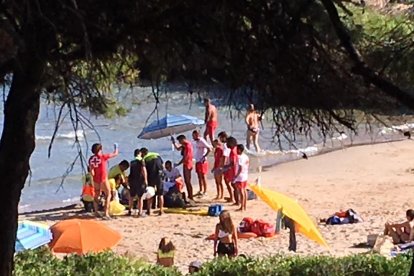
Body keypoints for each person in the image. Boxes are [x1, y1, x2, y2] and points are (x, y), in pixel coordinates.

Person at [88, 143, 118, 219]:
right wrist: (116, 147)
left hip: (95, 179)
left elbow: (91, 171)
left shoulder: (91, 159)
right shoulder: (103, 157)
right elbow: (115, 154)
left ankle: (96, 212)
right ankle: (106, 213)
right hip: (103, 179)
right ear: (100, 149)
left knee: (96, 195)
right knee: (108, 195)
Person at [140, 148, 164, 215]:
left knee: (150, 193)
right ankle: (161, 210)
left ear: (143, 153)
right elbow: (162, 164)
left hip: (152, 176)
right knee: (160, 194)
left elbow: (144, 170)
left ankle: (149, 210)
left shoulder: (144, 158)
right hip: (160, 175)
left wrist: (145, 180)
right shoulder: (157, 154)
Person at [172, 135, 194, 200]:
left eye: (180, 141)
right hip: (186, 164)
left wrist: (178, 164)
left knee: (188, 181)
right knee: (186, 181)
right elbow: (178, 148)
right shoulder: (184, 145)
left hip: (188, 164)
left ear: (183, 139)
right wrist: (174, 142)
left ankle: (191, 196)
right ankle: (190, 195)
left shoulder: (187, 146)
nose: (179, 142)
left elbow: (185, 157)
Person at [129, 150, 148, 217]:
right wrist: (146, 180)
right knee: (140, 197)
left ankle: (130, 210)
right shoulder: (141, 160)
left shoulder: (132, 161)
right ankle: (140, 212)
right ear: (139, 153)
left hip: (132, 180)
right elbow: (144, 170)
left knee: (132, 196)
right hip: (139, 180)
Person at [192, 130, 212, 196]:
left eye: (194, 135)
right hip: (197, 160)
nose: (193, 137)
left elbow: (209, 148)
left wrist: (204, 156)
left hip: (202, 161)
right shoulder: (196, 142)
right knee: (199, 176)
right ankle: (201, 189)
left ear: (197, 135)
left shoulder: (201, 140)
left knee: (203, 176)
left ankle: (205, 190)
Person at [221, 136, 239, 205]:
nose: (226, 144)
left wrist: (225, 167)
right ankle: (236, 200)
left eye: (227, 143)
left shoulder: (233, 152)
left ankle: (237, 201)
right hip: (234, 170)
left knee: (235, 186)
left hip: (234, 171)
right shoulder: (234, 150)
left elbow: (233, 163)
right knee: (234, 186)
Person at [218, 131, 234, 203]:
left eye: (220, 138)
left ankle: (232, 197)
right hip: (230, 165)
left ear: (223, 137)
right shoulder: (231, 144)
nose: (220, 140)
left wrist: (222, 167)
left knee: (227, 182)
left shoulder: (225, 145)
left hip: (227, 166)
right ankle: (232, 197)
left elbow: (224, 156)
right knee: (230, 182)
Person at [234, 144, 249, 211]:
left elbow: (240, 167)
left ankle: (242, 207)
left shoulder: (240, 157)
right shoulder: (246, 156)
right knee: (244, 190)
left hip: (240, 176)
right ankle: (244, 206)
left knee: (241, 191)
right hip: (245, 175)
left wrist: (236, 175)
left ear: (239, 150)